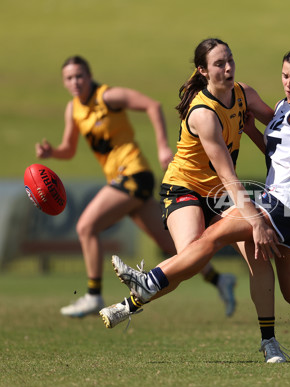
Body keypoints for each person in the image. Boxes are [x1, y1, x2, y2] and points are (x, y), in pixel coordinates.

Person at [106, 47, 290, 362]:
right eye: (285, 76)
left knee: (211, 237)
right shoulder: (287, 107)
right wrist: (251, 130)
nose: (288, 83)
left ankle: (148, 281)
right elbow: (279, 150)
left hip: (286, 201)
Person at [97, 39, 290, 362]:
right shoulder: (203, 113)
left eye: (230, 60)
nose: (228, 68)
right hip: (184, 189)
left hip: (219, 194)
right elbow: (228, 174)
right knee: (191, 260)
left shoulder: (244, 93)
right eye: (218, 64)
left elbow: (282, 129)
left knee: (259, 255)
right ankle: (131, 303)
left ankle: (269, 342)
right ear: (203, 71)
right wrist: (256, 220)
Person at [36, 55, 237, 318]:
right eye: (69, 78)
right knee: (179, 248)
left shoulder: (108, 96)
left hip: (133, 173)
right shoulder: (73, 109)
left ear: (89, 75)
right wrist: (52, 152)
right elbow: (69, 149)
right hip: (120, 180)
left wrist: (163, 145)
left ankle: (94, 295)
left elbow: (152, 105)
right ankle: (220, 280)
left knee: (86, 226)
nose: (75, 82)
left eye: (79, 76)